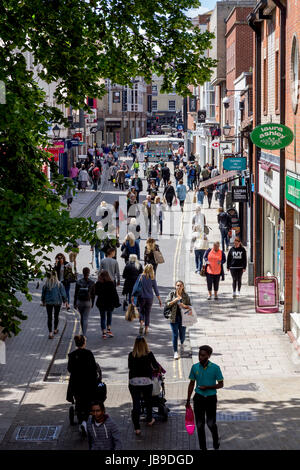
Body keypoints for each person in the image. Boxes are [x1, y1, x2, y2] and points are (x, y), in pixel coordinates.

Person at [186, 345, 224, 451]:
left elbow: (221, 384)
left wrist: (207, 387)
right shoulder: (195, 367)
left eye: (203, 355)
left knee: (211, 423)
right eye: (199, 355)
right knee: (199, 425)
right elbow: (191, 384)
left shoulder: (215, 368)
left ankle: (215, 440)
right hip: (198, 398)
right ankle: (203, 448)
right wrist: (188, 400)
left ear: (209, 356)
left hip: (211, 398)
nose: (200, 357)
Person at [128, 336, 161, 434]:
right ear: (145, 344)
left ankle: (137, 428)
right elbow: (156, 366)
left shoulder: (131, 355)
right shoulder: (149, 354)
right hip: (146, 382)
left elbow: (130, 367)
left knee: (136, 404)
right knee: (148, 401)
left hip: (133, 383)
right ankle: (150, 419)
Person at [67, 335, 98, 436]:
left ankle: (81, 422)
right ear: (84, 342)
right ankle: (84, 422)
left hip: (76, 384)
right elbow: (94, 368)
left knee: (79, 403)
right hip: (88, 384)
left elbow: (70, 369)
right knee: (88, 402)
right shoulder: (88, 353)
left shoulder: (72, 355)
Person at [131, 264, 162, 336]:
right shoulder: (152, 278)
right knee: (147, 313)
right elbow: (156, 290)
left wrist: (133, 295)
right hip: (149, 298)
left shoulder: (141, 276)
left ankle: (141, 323)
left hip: (141, 297)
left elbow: (135, 287)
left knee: (141, 311)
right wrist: (159, 300)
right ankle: (146, 329)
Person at [165, 280, 191, 359]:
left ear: (183, 287)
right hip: (173, 318)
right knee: (175, 335)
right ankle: (175, 352)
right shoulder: (172, 294)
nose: (179, 287)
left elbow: (190, 307)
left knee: (182, 335)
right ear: (175, 286)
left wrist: (184, 305)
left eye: (180, 285)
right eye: (178, 285)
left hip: (184, 318)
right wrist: (175, 300)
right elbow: (167, 304)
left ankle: (182, 343)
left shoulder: (186, 295)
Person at [41, 270, 67, 339]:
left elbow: (43, 294)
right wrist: (65, 301)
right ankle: (55, 329)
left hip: (48, 302)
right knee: (56, 316)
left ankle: (50, 333)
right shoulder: (59, 284)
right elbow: (63, 294)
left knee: (49, 317)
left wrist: (43, 301)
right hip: (57, 302)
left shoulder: (46, 285)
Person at [95, 270, 120, 339]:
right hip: (110, 302)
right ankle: (108, 330)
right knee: (109, 316)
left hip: (101, 302)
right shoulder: (111, 283)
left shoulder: (98, 283)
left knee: (102, 317)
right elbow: (115, 294)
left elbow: (96, 293)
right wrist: (117, 302)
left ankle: (104, 333)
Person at [74, 267, 95, 338]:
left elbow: (76, 293)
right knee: (85, 318)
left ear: (83, 273)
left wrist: (75, 303)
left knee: (81, 317)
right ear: (89, 273)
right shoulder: (92, 283)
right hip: (88, 302)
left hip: (80, 301)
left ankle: (82, 331)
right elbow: (93, 295)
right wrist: (92, 303)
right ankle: (84, 334)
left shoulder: (78, 282)